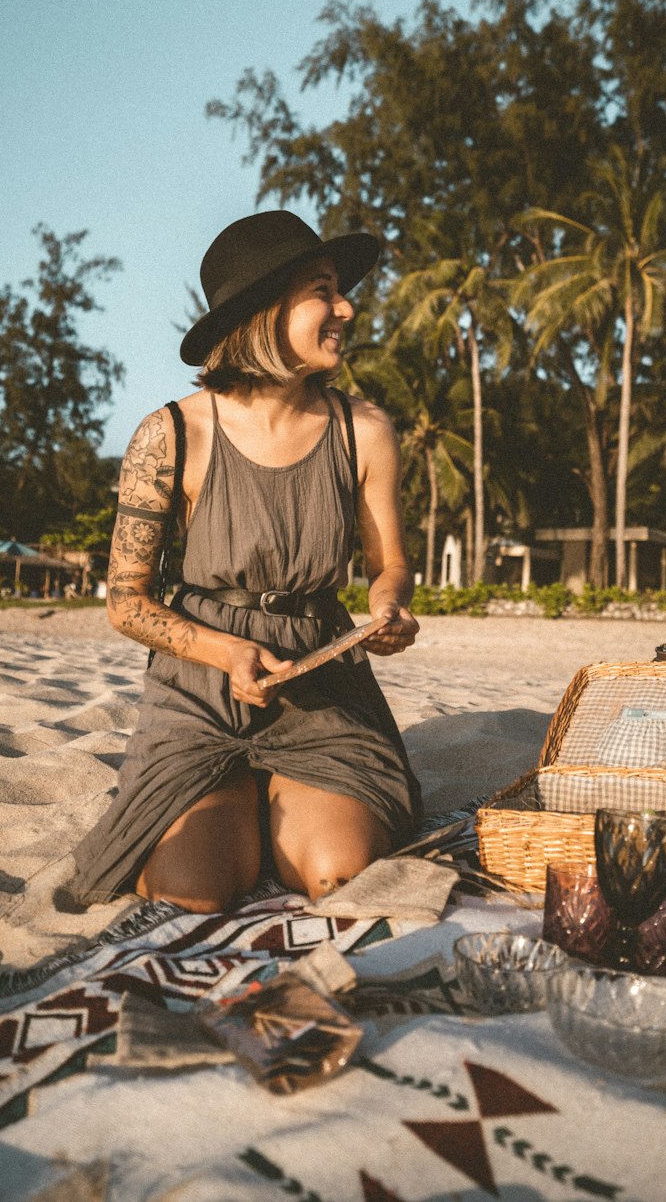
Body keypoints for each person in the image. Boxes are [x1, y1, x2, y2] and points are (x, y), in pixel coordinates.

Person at [70, 210, 421, 912]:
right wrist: (225, 651)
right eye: (325, 290)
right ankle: (235, 798)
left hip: (320, 685)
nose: (347, 307)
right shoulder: (169, 434)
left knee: (336, 876)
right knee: (190, 890)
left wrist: (386, 607)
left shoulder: (366, 430)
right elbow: (126, 601)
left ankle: (283, 795)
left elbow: (391, 567)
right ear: (266, 308)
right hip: (201, 686)